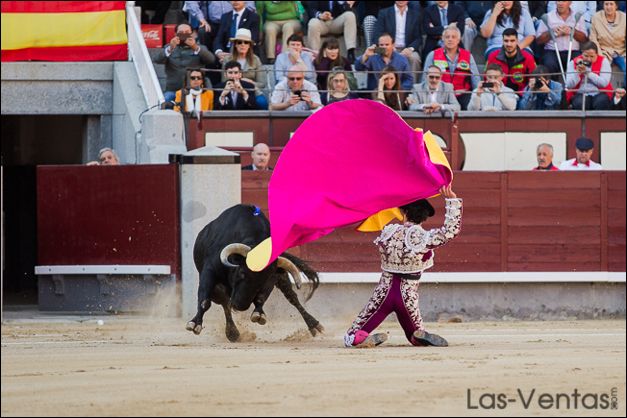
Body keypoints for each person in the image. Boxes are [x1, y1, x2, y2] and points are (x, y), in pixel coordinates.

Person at [344, 184, 462, 348]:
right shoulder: (423, 238)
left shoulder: (388, 232)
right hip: (408, 297)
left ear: (404, 212)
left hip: (383, 294)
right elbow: (450, 231)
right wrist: (452, 201)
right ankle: (417, 335)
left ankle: (359, 337)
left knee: (351, 336)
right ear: (424, 217)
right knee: (415, 336)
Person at [152, 23, 216, 102]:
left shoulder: (200, 48)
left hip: (194, 90)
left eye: (187, 32)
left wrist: (195, 47)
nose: (184, 35)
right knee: (163, 101)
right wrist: (170, 48)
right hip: (173, 90)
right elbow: (157, 60)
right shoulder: (169, 47)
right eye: (181, 32)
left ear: (192, 34)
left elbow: (211, 59)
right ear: (175, 34)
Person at [422, 25, 480, 110]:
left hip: (463, 94)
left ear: (459, 40)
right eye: (447, 37)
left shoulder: (468, 56)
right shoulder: (432, 55)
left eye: (453, 37)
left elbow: (475, 79)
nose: (450, 39)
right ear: (443, 39)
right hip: (441, 95)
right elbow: (425, 78)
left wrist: (478, 94)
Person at [535, 0, 588, 81]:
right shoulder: (548, 17)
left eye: (564, 1)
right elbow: (539, 40)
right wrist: (552, 33)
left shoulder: (577, 17)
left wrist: (572, 31)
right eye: (558, 1)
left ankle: (574, 87)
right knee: (549, 63)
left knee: (579, 62)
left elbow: (584, 39)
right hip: (552, 51)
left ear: (570, 2)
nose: (560, 3)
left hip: (573, 51)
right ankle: (554, 87)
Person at [374, 1, 423, 84]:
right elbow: (377, 36)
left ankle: (412, 87)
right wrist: (389, 47)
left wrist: (410, 49)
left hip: (407, 48)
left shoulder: (415, 14)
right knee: (377, 54)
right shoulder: (384, 13)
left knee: (415, 58)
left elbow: (418, 38)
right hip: (388, 47)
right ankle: (382, 87)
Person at [220, 28, 267, 109]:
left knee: (262, 102)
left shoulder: (256, 59)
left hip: (252, 91)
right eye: (239, 42)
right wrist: (237, 83)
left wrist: (250, 82)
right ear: (235, 44)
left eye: (246, 42)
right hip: (232, 90)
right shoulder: (227, 59)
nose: (243, 45)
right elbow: (224, 81)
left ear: (249, 46)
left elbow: (262, 83)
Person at [486, 28, 537, 93]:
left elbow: (534, 78)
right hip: (498, 92)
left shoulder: (528, 57)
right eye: (506, 41)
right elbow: (486, 78)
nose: (509, 44)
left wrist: (525, 92)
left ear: (517, 41)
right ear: (502, 41)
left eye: (512, 41)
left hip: (521, 94)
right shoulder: (493, 56)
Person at [565, 41, 613, 110]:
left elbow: (604, 83)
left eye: (592, 56)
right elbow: (569, 85)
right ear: (582, 54)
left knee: (601, 102)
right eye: (586, 56)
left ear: (597, 54)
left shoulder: (604, 61)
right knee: (580, 103)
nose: (589, 59)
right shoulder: (573, 63)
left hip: (599, 92)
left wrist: (588, 73)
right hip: (580, 93)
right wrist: (577, 73)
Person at [590, 1, 626, 83]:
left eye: (611, 4)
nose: (608, 7)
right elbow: (593, 39)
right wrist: (600, 56)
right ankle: (603, 91)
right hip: (604, 51)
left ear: (616, 6)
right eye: (606, 4)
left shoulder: (624, 18)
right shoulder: (596, 17)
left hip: (621, 51)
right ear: (603, 5)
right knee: (600, 69)